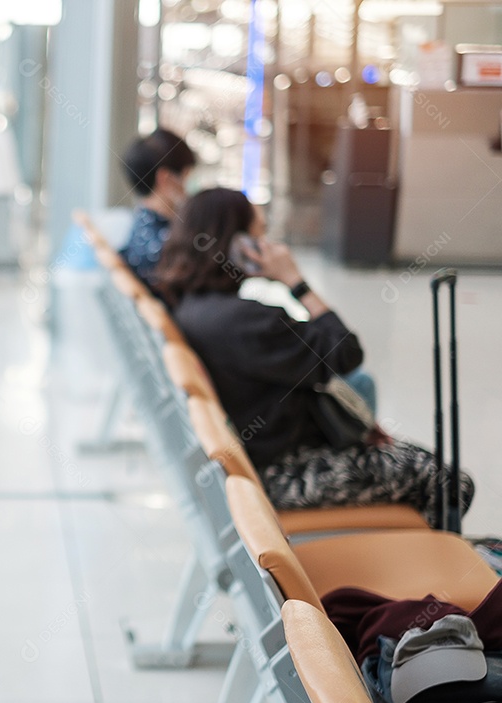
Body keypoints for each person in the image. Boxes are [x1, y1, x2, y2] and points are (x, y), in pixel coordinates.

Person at [154, 188, 473, 526]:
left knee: (420, 465)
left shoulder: (192, 307)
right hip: (285, 474)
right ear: (238, 246)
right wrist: (295, 281)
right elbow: (346, 351)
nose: (271, 246)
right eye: (261, 235)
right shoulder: (249, 321)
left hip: (259, 465)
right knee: (451, 482)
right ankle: (434, 566)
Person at [118, 128, 196, 288]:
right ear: (165, 178)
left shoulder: (141, 228)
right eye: (188, 175)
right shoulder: (168, 245)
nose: (190, 186)